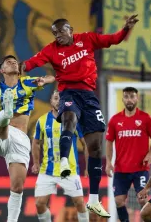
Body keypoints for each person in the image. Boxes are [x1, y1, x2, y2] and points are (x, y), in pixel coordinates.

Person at [20, 15, 139, 217]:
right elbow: (31, 63)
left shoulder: (88, 39)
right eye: (54, 33)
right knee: (69, 118)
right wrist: (18, 68)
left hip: (89, 96)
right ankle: (64, 162)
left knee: (95, 147)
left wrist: (126, 28)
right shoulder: (51, 50)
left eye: (61, 31)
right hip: (68, 92)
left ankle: (93, 200)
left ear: (71, 29)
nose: (58, 36)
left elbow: (113, 39)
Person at [0, 55, 55, 222]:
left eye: (14, 61)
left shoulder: (28, 83)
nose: (12, 62)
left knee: (17, 187)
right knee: (2, 125)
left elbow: (52, 78)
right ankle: (5, 114)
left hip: (20, 139)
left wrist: (44, 80)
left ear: (18, 69)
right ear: (2, 70)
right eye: (8, 62)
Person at [32, 90, 90, 222]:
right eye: (56, 98)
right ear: (51, 101)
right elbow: (36, 142)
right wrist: (36, 163)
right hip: (48, 170)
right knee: (39, 203)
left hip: (69, 170)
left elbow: (85, 144)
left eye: (61, 99)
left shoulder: (73, 119)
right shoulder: (42, 121)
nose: (59, 102)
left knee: (79, 202)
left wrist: (88, 166)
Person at [105, 87, 151, 222]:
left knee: (143, 201)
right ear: (122, 99)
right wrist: (108, 162)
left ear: (137, 98)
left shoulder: (145, 118)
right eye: (127, 97)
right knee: (118, 201)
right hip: (121, 169)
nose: (129, 99)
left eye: (132, 96)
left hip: (140, 169)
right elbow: (109, 142)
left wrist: (150, 155)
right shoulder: (115, 120)